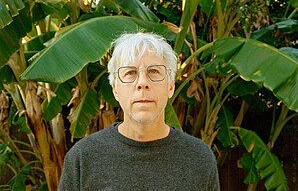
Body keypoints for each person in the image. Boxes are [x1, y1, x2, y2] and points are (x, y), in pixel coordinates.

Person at [58, 32, 220, 191]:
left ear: (170, 87)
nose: (142, 83)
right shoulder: (83, 158)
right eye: (130, 73)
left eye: (154, 72)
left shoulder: (199, 159)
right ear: (115, 89)